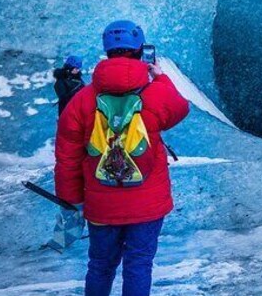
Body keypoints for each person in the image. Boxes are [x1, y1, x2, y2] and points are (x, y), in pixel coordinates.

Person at [54, 20, 189, 296]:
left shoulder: (82, 100)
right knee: (139, 264)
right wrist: (160, 77)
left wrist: (72, 202)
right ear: (141, 51)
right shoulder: (155, 92)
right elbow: (179, 109)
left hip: (101, 205)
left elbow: (67, 157)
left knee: (100, 266)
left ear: (107, 51)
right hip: (147, 204)